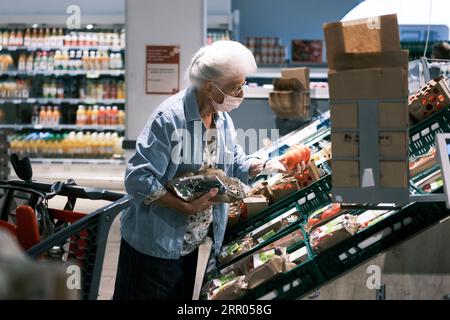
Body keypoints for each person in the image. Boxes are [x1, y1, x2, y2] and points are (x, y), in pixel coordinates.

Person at [113, 40, 305, 300]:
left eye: (243, 85)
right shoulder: (169, 119)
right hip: (156, 244)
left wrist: (274, 166)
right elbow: (138, 178)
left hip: (191, 243)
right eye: (235, 87)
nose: (241, 94)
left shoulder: (221, 117)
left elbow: (235, 161)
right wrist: (183, 206)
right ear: (209, 87)